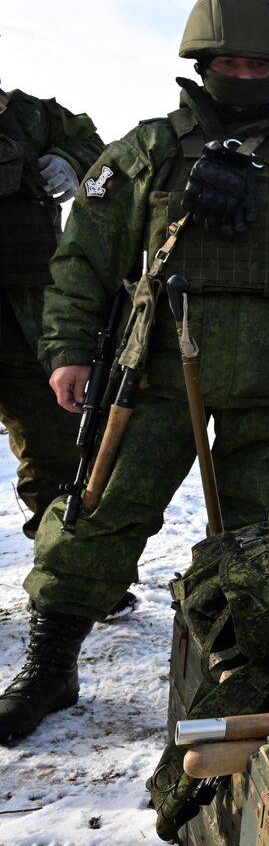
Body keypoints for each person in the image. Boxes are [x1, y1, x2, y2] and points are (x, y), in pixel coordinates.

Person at [0, 0, 269, 741]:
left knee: (266, 534)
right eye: (231, 62)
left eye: (259, 65)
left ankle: (246, 666)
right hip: (152, 371)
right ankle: (52, 660)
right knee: (97, 507)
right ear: (203, 64)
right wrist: (68, 350)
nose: (245, 76)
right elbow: (83, 257)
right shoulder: (147, 150)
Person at [0, 79, 102, 543]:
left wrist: (71, 160)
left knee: (56, 447)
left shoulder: (31, 115)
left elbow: (93, 144)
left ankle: (61, 571)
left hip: (29, 314)